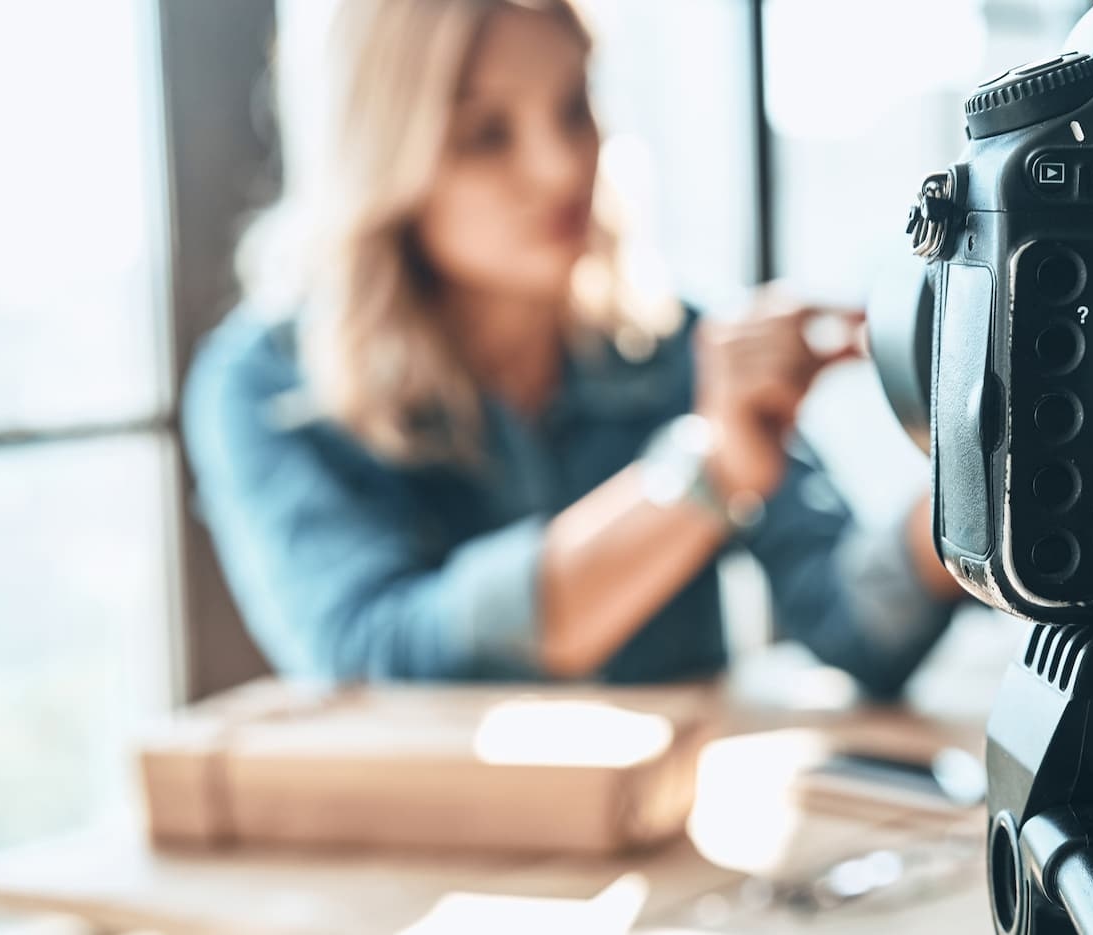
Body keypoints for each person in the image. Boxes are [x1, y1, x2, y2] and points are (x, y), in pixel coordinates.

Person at [182, 0, 964, 696]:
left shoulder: (678, 342)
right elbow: (373, 656)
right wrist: (707, 473)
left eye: (573, 104)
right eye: (486, 135)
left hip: (670, 813)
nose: (562, 167)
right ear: (384, 154)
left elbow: (849, 622)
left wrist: (978, 494)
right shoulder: (266, 385)